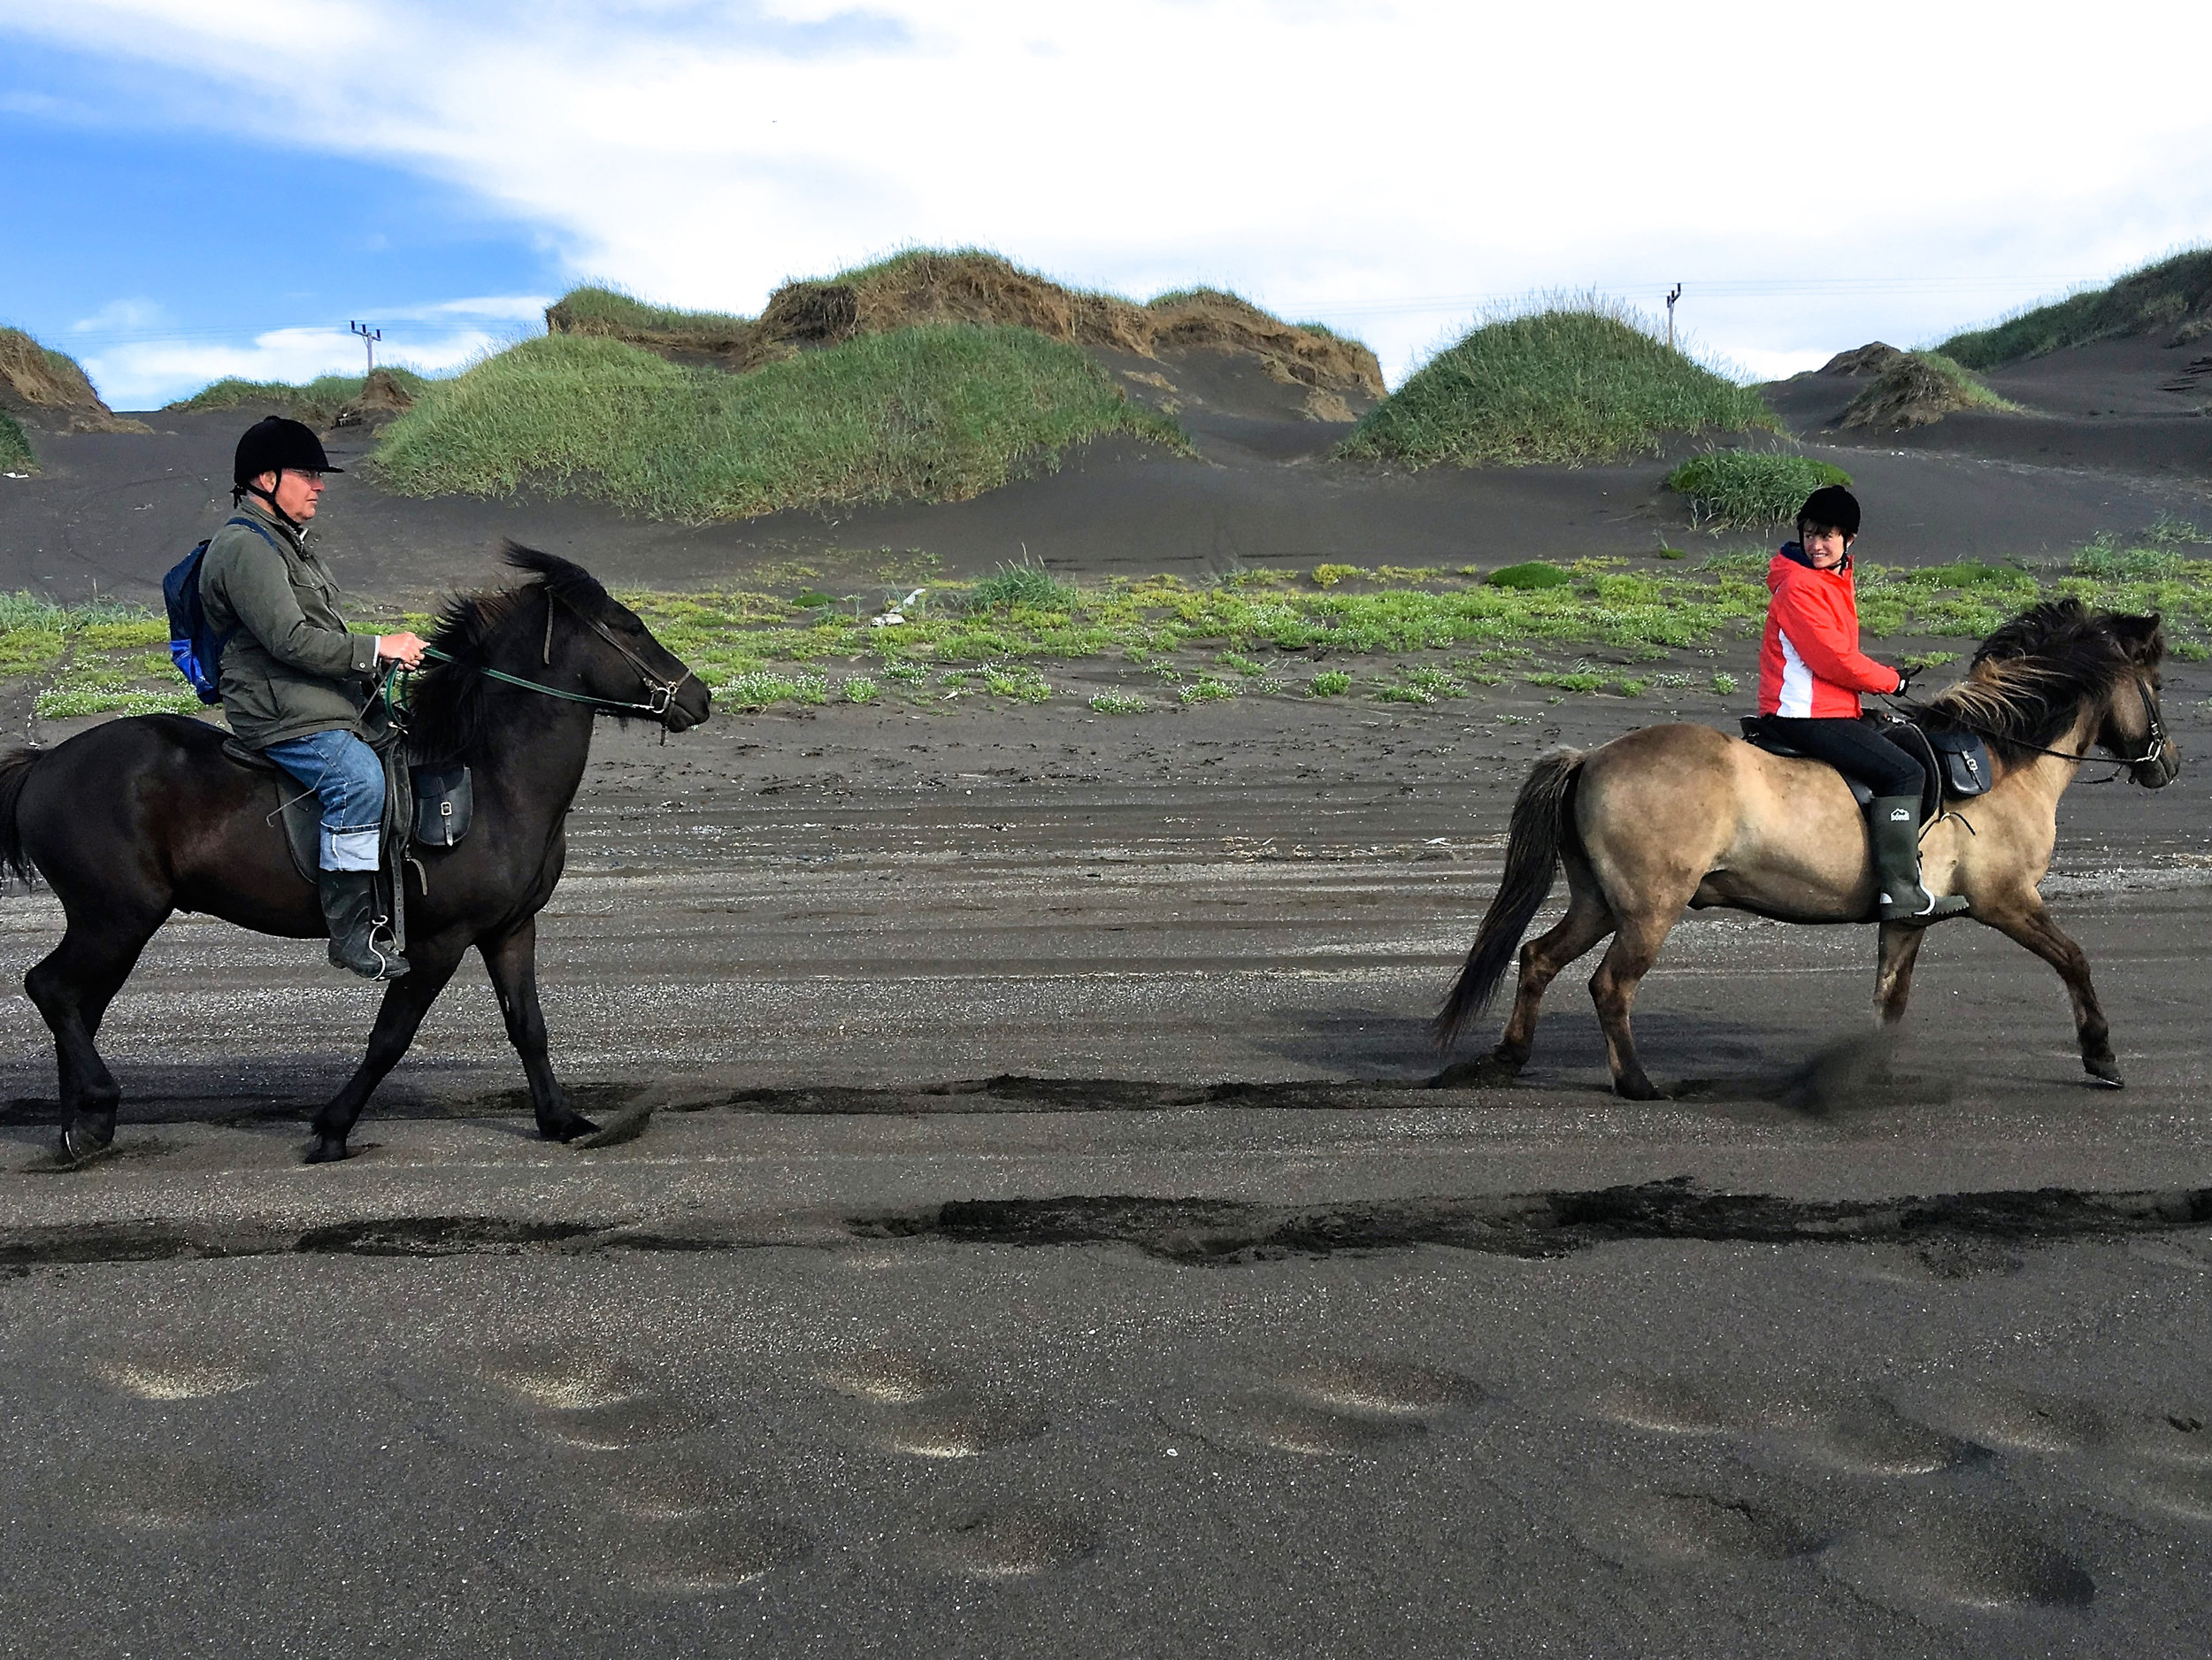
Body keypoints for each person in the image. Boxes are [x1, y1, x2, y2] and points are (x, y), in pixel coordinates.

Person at [199, 416, 430, 978]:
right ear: (264, 479)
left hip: (315, 698)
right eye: (306, 474)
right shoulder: (245, 549)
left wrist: (376, 667)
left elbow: (319, 634)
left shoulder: (288, 546)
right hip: (278, 711)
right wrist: (377, 648)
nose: (319, 485)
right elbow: (290, 640)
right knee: (358, 781)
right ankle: (351, 930)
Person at [1757, 484, 1967, 924]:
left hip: (1828, 708)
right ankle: (1901, 893)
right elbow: (1831, 659)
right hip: (1803, 714)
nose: (1816, 545)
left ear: (1849, 541)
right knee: (1905, 772)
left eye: (1827, 536)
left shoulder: (1832, 579)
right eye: (1810, 534)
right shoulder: (1800, 586)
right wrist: (1890, 681)